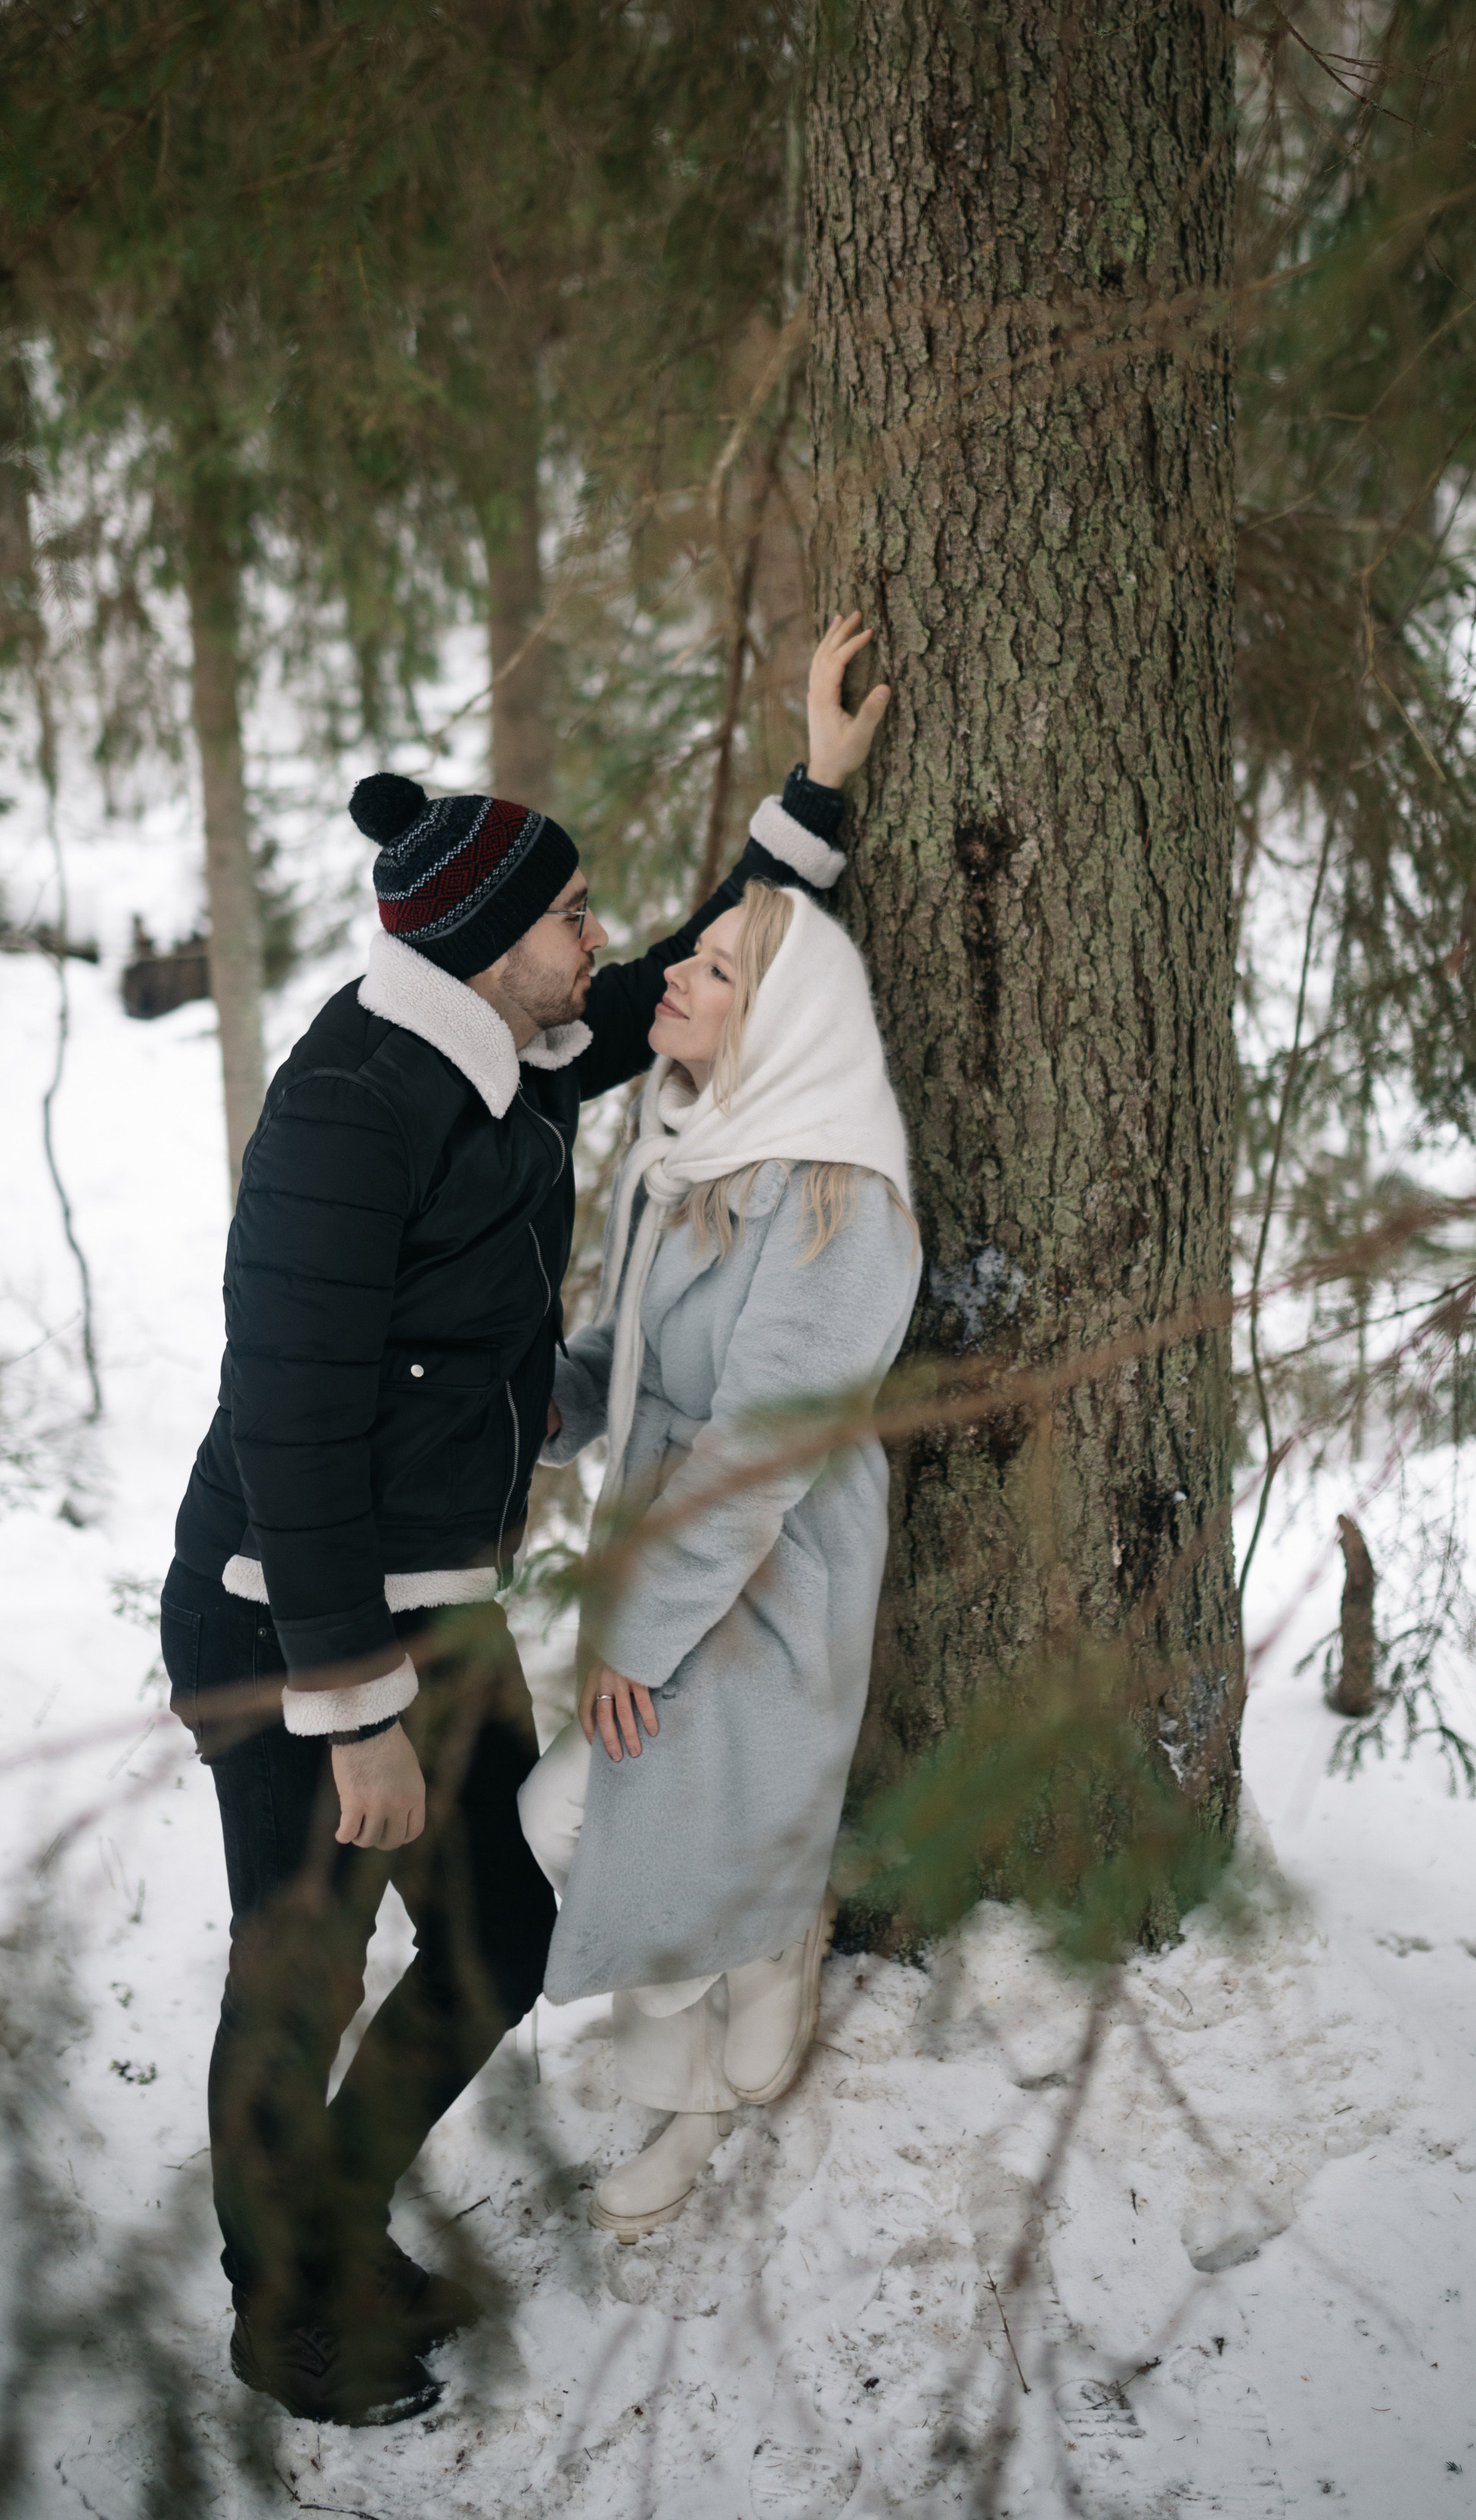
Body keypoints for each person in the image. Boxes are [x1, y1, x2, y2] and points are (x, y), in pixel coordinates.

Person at [159, 621, 890, 2426]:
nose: (600, 942)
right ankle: (287, 2314)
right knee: (297, 1966)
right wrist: (353, 1713)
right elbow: (292, 1417)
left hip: (426, 1602)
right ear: (495, 951)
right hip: (289, 1620)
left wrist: (810, 797)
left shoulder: (503, 1056)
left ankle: (325, 2215)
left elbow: (676, 984)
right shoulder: (348, 1107)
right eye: (570, 919)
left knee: (489, 1922)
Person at [516, 873, 919, 2243]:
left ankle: (767, 1926)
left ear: (788, 1023)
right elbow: (618, 1358)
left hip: (769, 1569)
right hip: (665, 1544)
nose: (671, 973)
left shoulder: (840, 1199)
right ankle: (683, 2089)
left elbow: (761, 1445)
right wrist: (541, 1411)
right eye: (689, 955)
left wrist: (636, 1634)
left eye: (719, 972)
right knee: (604, 1810)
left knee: (587, 1810)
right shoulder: (677, 1148)